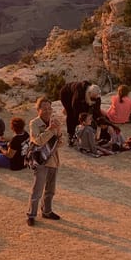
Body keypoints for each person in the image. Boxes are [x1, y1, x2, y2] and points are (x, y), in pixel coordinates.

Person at [26, 96, 63, 226]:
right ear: (38, 110)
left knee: (50, 189)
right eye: (44, 108)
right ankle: (31, 214)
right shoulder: (34, 124)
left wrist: (58, 135)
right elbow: (37, 141)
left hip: (53, 158)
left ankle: (47, 211)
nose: (47, 111)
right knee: (38, 188)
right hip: (40, 159)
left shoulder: (54, 121)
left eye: (49, 108)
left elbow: (60, 141)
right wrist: (50, 130)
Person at [59, 80, 89, 144]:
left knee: (84, 113)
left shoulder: (94, 92)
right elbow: (74, 106)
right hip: (65, 94)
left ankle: (78, 134)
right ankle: (71, 135)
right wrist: (79, 121)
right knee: (71, 114)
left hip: (73, 94)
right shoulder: (79, 92)